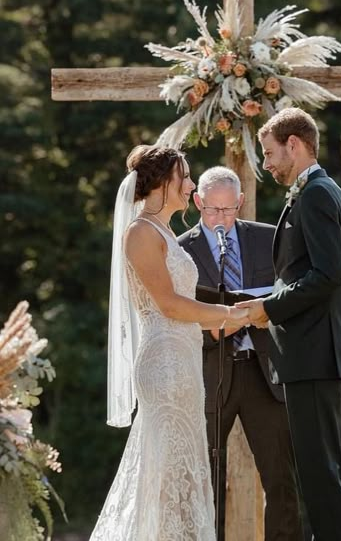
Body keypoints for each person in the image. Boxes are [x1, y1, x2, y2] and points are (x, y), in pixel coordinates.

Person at [89, 145, 248, 541]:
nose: (191, 185)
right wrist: (231, 314)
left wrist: (232, 318)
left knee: (179, 467)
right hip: (164, 364)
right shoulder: (140, 233)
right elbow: (169, 304)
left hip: (185, 358)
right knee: (165, 470)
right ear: (163, 183)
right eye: (186, 177)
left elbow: (185, 311)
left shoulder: (165, 232)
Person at [237, 107, 341, 541]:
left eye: (270, 153)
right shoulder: (318, 192)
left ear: (295, 144)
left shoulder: (318, 195)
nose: (267, 163)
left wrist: (268, 307)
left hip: (312, 353)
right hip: (310, 354)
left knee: (320, 475)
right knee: (324, 472)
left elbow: (327, 275)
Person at [178, 167, 303, 541]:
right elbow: (176, 316)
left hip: (264, 372)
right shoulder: (180, 249)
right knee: (206, 479)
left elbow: (295, 293)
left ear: (241, 203)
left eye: (228, 210)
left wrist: (271, 313)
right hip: (210, 370)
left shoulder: (269, 239)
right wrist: (225, 324)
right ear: (198, 202)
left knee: (281, 479)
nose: (220, 219)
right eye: (212, 210)